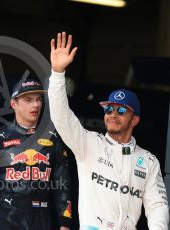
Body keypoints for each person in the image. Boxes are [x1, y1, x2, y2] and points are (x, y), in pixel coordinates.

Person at [48, 32, 169, 229]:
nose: (113, 114)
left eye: (121, 110)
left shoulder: (148, 161)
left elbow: (157, 205)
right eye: (109, 109)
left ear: (135, 120)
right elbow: (61, 117)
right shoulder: (88, 144)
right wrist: (57, 73)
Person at [0, 77, 72, 230]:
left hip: (41, 219)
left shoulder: (54, 138)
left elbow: (62, 185)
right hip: (7, 218)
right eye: (28, 100)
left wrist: (66, 223)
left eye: (39, 99)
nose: (36, 104)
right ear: (14, 104)